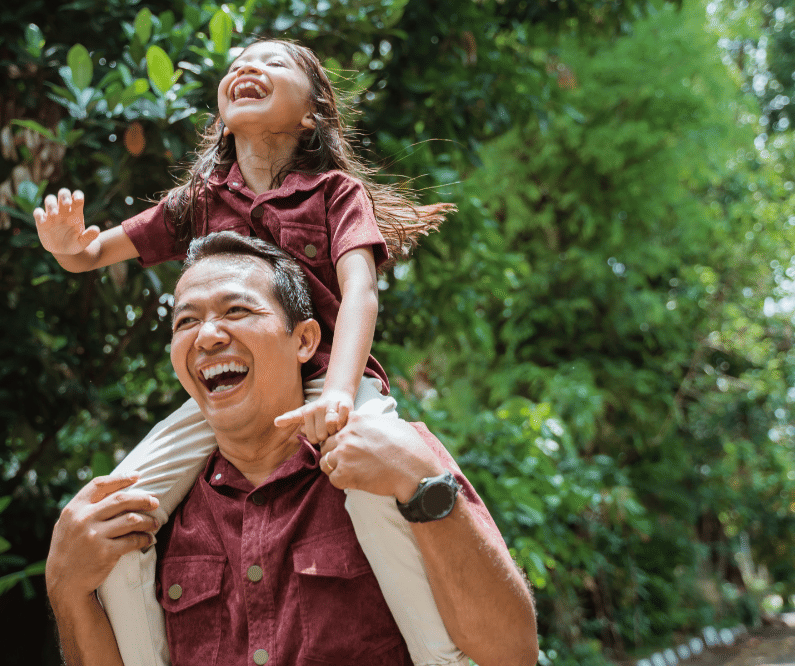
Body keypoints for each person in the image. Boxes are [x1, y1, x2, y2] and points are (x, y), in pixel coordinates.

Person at [34, 39, 459, 665]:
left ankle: (442, 657)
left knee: (378, 486)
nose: (246, 69)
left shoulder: (335, 193)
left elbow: (361, 293)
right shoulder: (201, 201)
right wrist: (64, 243)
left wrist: (341, 396)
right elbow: (92, 254)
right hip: (233, 390)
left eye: (272, 63)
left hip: (330, 378)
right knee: (119, 509)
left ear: (312, 115)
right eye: (234, 65)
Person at [45, 232, 538, 665]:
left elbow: (510, 654)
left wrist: (423, 482)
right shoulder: (154, 515)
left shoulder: (393, 463)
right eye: (185, 322)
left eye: (236, 310)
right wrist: (66, 589)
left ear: (304, 340)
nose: (208, 336)